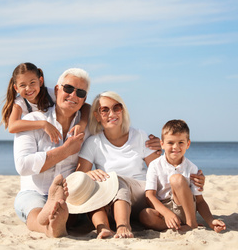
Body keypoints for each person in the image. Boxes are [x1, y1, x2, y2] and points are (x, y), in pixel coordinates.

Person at [76, 92, 206, 239]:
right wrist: (89, 174)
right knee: (93, 188)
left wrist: (190, 180)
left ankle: (123, 226)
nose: (111, 113)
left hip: (140, 195)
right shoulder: (93, 143)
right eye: (104, 110)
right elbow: (79, 176)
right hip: (112, 199)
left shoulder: (140, 136)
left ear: (122, 111)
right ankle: (103, 228)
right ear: (97, 116)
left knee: (117, 180)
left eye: (116, 108)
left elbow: (162, 169)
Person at [13, 68, 95, 237]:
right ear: (57, 89)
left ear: (84, 99)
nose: (73, 95)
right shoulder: (32, 120)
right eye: (68, 89)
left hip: (71, 193)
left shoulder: (87, 128)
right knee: (34, 209)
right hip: (34, 191)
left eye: (80, 92)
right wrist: (65, 151)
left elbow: (115, 136)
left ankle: (58, 215)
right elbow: (23, 166)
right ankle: (48, 227)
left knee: (80, 208)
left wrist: (149, 143)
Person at [139, 120, 226, 233]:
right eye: (170, 143)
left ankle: (191, 224)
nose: (176, 147)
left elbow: (199, 201)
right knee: (144, 215)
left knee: (177, 179)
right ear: (162, 144)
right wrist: (167, 213)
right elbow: (150, 195)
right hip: (163, 210)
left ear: (188, 144)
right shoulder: (154, 165)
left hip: (184, 209)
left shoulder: (191, 168)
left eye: (181, 142)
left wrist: (211, 221)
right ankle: (175, 226)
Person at [1, 62, 89, 144]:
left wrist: (82, 123)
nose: (28, 88)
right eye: (23, 85)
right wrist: (43, 124)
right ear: (16, 88)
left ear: (40, 81)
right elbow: (12, 126)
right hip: (40, 136)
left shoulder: (51, 94)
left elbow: (86, 107)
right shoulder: (20, 102)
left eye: (32, 83)